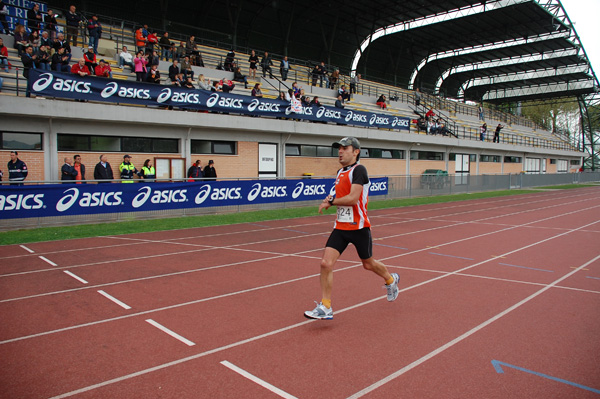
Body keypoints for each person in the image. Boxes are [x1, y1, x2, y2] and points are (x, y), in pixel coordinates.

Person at [304, 137, 400, 320]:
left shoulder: (360, 170)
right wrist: (328, 199)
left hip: (359, 227)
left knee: (368, 264)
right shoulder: (340, 172)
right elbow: (337, 193)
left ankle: (391, 279)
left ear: (355, 151)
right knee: (325, 263)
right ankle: (326, 306)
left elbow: (353, 198)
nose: (340, 152)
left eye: (344, 148)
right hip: (340, 226)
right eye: (338, 148)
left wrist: (331, 202)